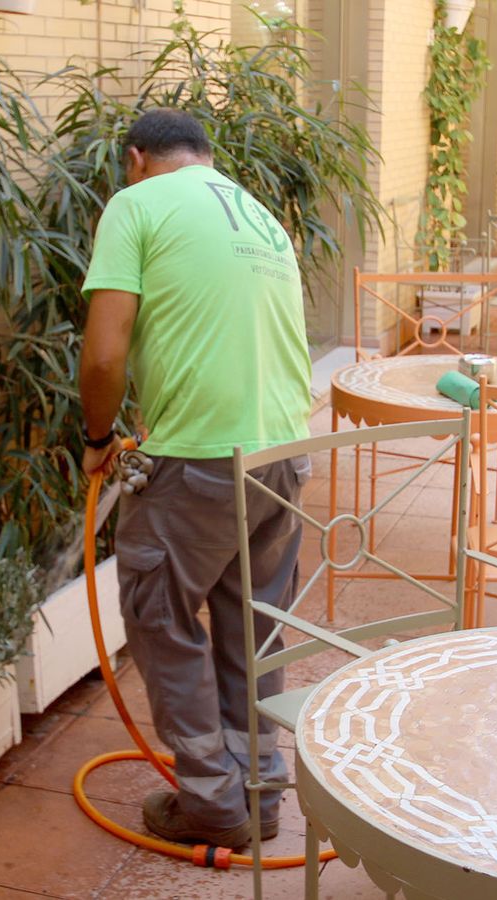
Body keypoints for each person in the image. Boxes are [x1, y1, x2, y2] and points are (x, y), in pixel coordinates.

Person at [77, 108, 313, 850]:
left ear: (136, 158)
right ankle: (260, 795)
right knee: (253, 627)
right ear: (205, 157)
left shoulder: (135, 203)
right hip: (282, 454)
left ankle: (212, 806)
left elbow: (105, 355)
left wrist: (96, 438)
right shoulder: (259, 213)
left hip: (199, 462)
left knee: (162, 620)